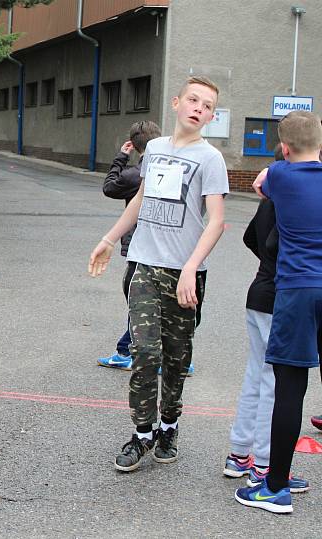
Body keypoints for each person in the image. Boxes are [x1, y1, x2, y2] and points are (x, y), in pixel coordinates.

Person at [88, 76, 228, 472]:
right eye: (193, 100)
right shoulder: (157, 150)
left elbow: (216, 221)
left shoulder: (210, 159)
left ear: (212, 116)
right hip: (146, 266)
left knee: (177, 357)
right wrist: (110, 238)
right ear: (177, 103)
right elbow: (140, 199)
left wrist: (189, 268)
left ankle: (169, 425)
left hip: (185, 274)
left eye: (206, 105)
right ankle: (142, 433)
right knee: (145, 352)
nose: (198, 108)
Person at [235, 110, 322, 514]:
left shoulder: (281, 176)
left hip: (297, 291)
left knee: (290, 388)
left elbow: (262, 180)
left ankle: (274, 487)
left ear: (285, 148)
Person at [222, 145, 308, 494]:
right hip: (277, 297)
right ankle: (265, 464)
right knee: (275, 383)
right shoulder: (294, 198)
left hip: (258, 292)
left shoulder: (271, 197)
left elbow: (250, 238)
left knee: (256, 376)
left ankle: (239, 453)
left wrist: (267, 265)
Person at [98, 120, 162, 371]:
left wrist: (120, 158)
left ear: (134, 146)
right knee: (157, 300)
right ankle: (175, 356)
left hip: (140, 245)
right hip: (167, 246)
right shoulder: (170, 169)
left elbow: (109, 187)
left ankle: (126, 351)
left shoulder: (136, 174)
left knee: (140, 300)